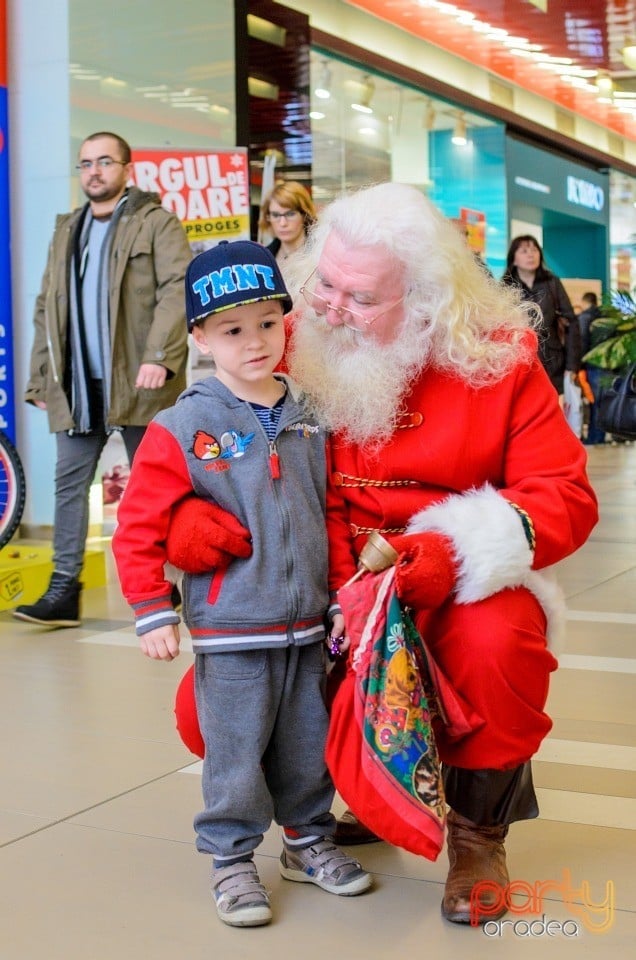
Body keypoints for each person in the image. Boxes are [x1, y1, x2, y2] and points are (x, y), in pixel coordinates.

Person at [165, 183, 598, 926]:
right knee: (208, 704)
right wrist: (186, 517)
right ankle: (365, 793)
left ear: (425, 300)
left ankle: (476, 836)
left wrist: (455, 552)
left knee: (498, 648)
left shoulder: (494, 359)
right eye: (323, 281)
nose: (328, 306)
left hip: (453, 585)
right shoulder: (287, 339)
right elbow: (201, 443)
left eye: (359, 296)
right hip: (318, 576)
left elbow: (565, 496)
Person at [111, 240, 372, 929]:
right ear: (200, 337)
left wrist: (343, 591)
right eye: (232, 329)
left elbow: (334, 512)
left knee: (305, 743)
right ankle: (230, 858)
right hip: (232, 628)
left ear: (287, 320)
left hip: (309, 622)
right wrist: (151, 608)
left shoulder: (312, 414)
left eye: (266, 322)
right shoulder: (183, 425)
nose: (254, 342)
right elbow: (139, 523)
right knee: (235, 748)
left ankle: (308, 841)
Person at [13, 131, 191, 628]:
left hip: (140, 379)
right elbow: (47, 305)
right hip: (77, 385)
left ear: (127, 168)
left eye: (104, 161)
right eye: (85, 163)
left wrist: (160, 355)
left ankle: (168, 587)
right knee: (69, 485)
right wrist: (41, 377)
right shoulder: (67, 229)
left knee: (155, 489)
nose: (94, 171)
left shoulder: (156, 224)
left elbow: (178, 290)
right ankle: (63, 590)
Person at [501, 234, 580, 394]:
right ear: (514, 259)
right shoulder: (505, 286)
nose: (530, 254)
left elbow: (571, 324)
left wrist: (572, 366)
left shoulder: (552, 283)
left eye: (534, 249)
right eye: (524, 251)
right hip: (520, 362)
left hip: (554, 362)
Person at [258, 180, 316, 281]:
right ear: (268, 217)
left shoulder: (319, 253)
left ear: (305, 215)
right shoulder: (263, 258)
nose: (282, 223)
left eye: (290, 214)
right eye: (275, 215)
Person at [577, 291, 606, 445]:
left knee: (593, 401)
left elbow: (582, 341)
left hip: (592, 364)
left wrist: (578, 364)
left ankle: (594, 437)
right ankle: (600, 436)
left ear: (584, 302)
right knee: (602, 401)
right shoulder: (604, 318)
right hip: (607, 365)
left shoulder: (585, 318)